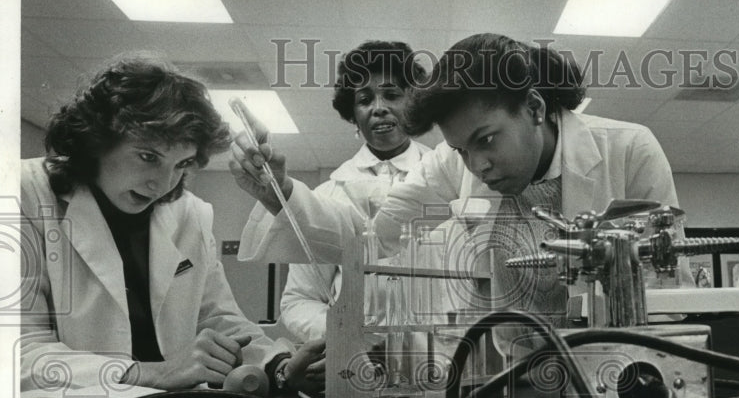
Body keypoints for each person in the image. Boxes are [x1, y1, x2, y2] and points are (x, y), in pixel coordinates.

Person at [231, 33, 684, 352]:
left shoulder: (629, 150)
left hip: (615, 358)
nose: (478, 167)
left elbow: (666, 283)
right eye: (461, 149)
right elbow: (374, 239)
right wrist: (282, 194)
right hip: (512, 365)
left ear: (534, 107)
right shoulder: (453, 163)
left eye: (487, 140)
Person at [19, 54, 322, 392]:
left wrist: (278, 366)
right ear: (96, 140)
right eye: (149, 157)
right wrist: (155, 373)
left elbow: (218, 320)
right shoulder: (23, 194)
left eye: (183, 163)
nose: (163, 184)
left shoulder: (188, 212)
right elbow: (17, 354)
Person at [275, 41, 431, 342]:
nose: (379, 108)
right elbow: (299, 300)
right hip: (350, 360)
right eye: (364, 99)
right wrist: (346, 335)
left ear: (413, 103)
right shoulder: (326, 195)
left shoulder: (445, 180)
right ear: (353, 114)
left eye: (392, 95)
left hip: (437, 357)